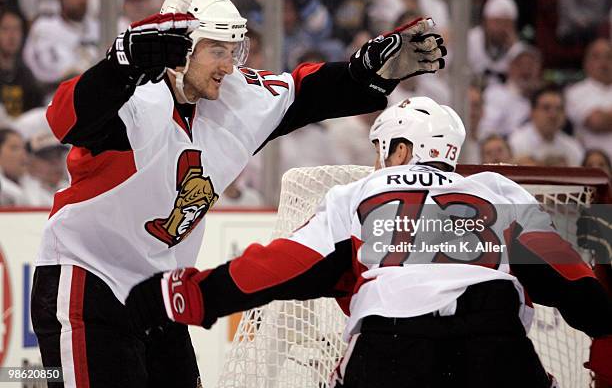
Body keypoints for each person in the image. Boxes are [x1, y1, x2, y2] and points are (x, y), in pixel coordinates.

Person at [30, 0, 447, 388]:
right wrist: (119, 64)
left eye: (234, 50)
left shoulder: (234, 96)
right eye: (216, 50)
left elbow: (306, 93)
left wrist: (363, 73)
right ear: (181, 49)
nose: (228, 65)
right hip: (88, 280)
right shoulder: (135, 101)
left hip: (155, 294)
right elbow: (66, 121)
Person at [127, 96, 612, 388]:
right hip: (497, 350)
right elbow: (575, 283)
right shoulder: (496, 191)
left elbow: (278, 267)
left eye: (384, 150)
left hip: (395, 351)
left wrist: (188, 293)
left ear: (402, 148)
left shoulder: (361, 193)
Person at [509, 86, 584, 166]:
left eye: (559, 109)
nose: (553, 115)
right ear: (532, 112)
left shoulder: (573, 147)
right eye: (546, 108)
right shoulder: (516, 143)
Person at [565, 38, 612, 160]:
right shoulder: (574, 92)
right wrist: (602, 118)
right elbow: (596, 122)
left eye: (609, 56)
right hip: (592, 166)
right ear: (586, 63)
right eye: (596, 57)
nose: (604, 62)